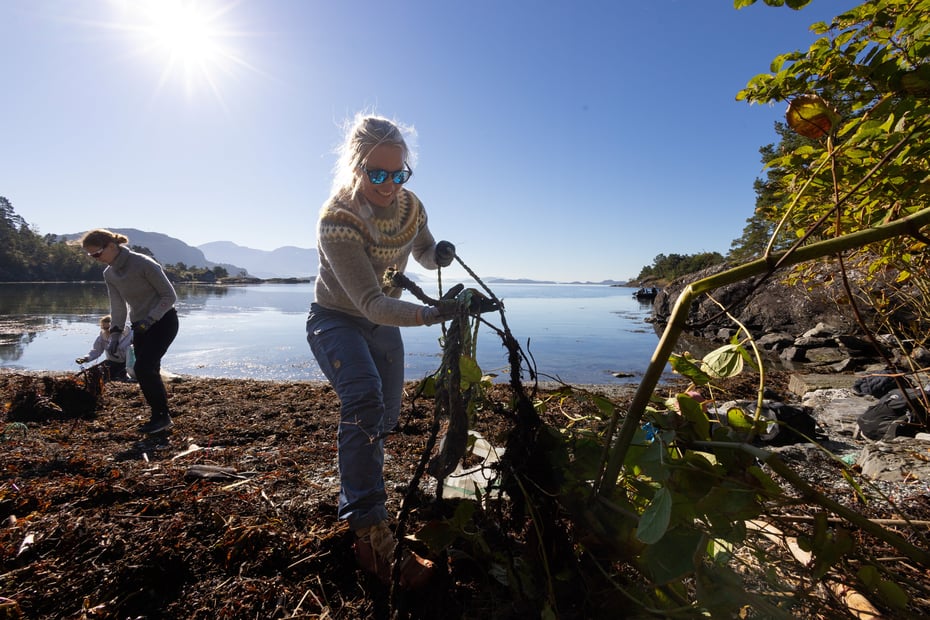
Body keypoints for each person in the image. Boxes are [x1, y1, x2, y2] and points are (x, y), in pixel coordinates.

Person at [306, 113, 459, 587]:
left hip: (382, 322)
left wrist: (441, 256)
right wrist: (431, 314)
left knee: (386, 419)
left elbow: (424, 250)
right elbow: (371, 303)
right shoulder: (338, 219)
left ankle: (360, 492)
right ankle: (369, 533)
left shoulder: (411, 206)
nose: (389, 185)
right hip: (337, 319)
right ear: (356, 167)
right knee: (364, 403)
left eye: (398, 174)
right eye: (377, 173)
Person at [80, 229, 179, 434]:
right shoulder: (109, 273)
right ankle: (159, 416)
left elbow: (169, 296)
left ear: (111, 246)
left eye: (97, 254)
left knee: (144, 368)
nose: (96, 259)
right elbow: (117, 307)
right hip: (139, 325)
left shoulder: (143, 263)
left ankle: (162, 417)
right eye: (91, 256)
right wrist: (115, 335)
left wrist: (151, 319)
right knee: (144, 371)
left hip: (163, 322)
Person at [75, 315, 133, 382]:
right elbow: (96, 351)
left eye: (108, 328)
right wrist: (85, 359)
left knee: (119, 377)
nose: (107, 331)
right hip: (111, 362)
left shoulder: (130, 334)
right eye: (104, 328)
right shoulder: (103, 335)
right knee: (94, 374)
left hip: (127, 364)